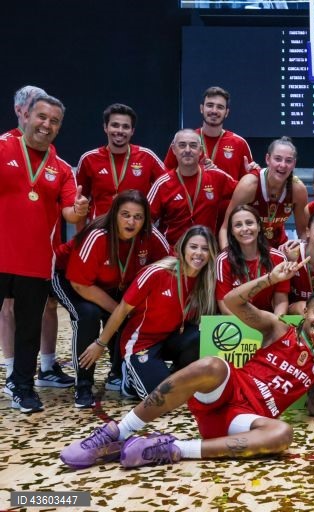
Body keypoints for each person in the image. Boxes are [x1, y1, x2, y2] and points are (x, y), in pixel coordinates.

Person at [60, 280, 314, 469]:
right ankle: (116, 434)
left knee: (283, 434)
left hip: (246, 420)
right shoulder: (279, 328)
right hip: (232, 390)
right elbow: (232, 301)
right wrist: (272, 279)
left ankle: (173, 449)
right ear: (306, 311)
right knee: (212, 365)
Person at [0, 94, 90, 412]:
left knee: (28, 329)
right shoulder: (3, 149)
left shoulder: (63, 169)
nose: (46, 125)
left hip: (36, 263)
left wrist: (78, 210)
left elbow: (69, 213)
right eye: (41, 117)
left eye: (54, 121)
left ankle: (23, 387)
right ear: (25, 116)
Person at [52, 190, 171, 407]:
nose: (131, 221)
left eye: (138, 216)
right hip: (69, 278)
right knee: (88, 314)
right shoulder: (98, 236)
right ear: (115, 214)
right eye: (125, 215)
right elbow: (81, 284)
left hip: (110, 284)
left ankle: (117, 373)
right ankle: (83, 386)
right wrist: (119, 309)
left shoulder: (150, 236)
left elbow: (170, 263)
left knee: (129, 311)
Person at [76, 226, 217, 400]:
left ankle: (173, 374)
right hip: (141, 343)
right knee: (160, 399)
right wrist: (100, 343)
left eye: (205, 249)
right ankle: (129, 378)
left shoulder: (207, 281)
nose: (199, 253)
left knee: (201, 336)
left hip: (171, 338)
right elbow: (121, 310)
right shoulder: (157, 272)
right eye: (193, 247)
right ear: (183, 248)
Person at [75, 104, 165, 225]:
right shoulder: (88, 159)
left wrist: (151, 218)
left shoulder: (147, 157)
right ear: (105, 127)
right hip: (100, 229)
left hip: (135, 229)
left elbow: (168, 187)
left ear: (132, 131)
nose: (120, 131)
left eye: (126, 127)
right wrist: (80, 237)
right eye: (115, 125)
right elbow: (81, 203)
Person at [148, 129, 236, 245]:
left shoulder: (217, 177)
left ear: (200, 151)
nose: (188, 150)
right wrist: (163, 249)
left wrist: (253, 172)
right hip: (173, 255)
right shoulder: (162, 184)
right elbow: (145, 221)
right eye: (182, 145)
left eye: (193, 146)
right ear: (174, 149)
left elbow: (247, 188)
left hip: (206, 252)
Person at [222, 136, 308, 248]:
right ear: (268, 159)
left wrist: (301, 252)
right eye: (277, 159)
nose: (282, 165)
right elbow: (225, 228)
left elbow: (303, 233)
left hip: (278, 249)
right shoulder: (249, 184)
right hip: (245, 249)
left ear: (294, 164)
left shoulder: (298, 190)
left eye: (288, 160)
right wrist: (227, 259)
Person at [163, 86, 253, 182]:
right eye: (210, 105)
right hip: (191, 197)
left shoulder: (240, 143)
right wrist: (194, 169)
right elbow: (166, 177)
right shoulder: (183, 141)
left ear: (226, 113)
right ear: (202, 108)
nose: (214, 111)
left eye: (220, 107)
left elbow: (248, 184)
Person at [215, 205, 289, 315]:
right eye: (238, 225)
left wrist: (276, 322)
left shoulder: (278, 257)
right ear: (231, 231)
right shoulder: (223, 260)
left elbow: (280, 300)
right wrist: (250, 327)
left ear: (259, 227)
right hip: (238, 320)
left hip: (269, 319)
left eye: (249, 223)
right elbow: (224, 305)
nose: (245, 229)